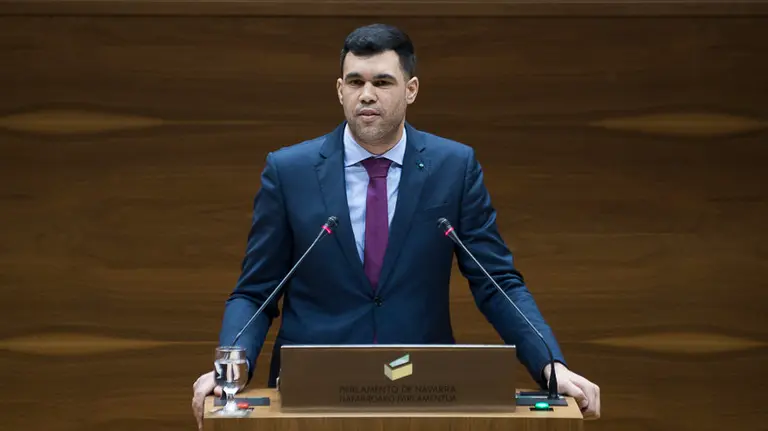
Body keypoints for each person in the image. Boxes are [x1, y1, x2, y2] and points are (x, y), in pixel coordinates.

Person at [192, 23, 600, 428]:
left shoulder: (453, 168)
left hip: (422, 390)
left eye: (383, 82)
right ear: (340, 90)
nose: (366, 94)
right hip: (310, 392)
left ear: (411, 89)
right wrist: (231, 365)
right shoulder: (289, 171)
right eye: (355, 81)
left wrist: (550, 365)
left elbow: (498, 283)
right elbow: (256, 291)